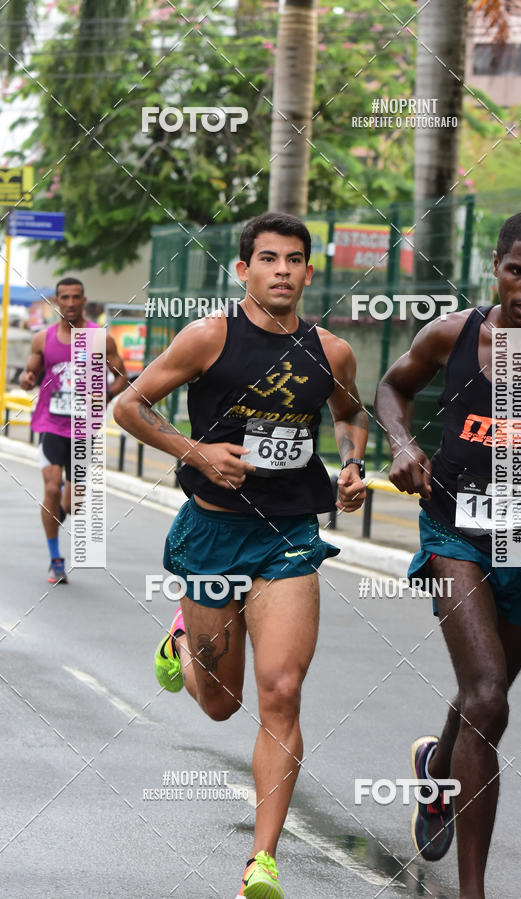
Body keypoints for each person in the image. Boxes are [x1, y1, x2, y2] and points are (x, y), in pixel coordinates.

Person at [114, 212, 368, 898]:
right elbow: (130, 406)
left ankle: (262, 862)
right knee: (222, 704)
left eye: (294, 259)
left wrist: (351, 466)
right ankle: (181, 644)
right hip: (214, 532)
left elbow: (349, 414)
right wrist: (194, 450)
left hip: (288, 535)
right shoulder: (210, 336)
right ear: (244, 269)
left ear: (310, 272)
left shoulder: (332, 352)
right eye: (268, 258)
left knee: (281, 692)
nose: (282, 269)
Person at [375, 210, 521, 899]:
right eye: (517, 271)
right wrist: (403, 443)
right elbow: (392, 387)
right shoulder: (456, 332)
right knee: (488, 694)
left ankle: (436, 764)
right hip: (456, 530)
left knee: (485, 701)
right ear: (495, 265)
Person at [19, 278, 128, 584]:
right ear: (56, 300)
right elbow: (30, 373)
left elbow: (122, 377)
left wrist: (104, 396)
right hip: (51, 425)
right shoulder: (43, 339)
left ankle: (56, 515)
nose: (69, 303)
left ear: (83, 300)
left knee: (73, 502)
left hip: (84, 428)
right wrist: (28, 380)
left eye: (75, 297)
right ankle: (55, 559)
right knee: (52, 489)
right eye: (64, 297)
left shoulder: (100, 338)